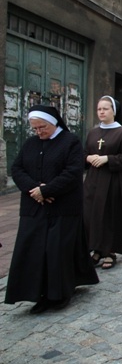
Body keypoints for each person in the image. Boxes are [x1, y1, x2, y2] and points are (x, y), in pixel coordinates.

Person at [5, 105, 99, 313]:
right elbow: (17, 168)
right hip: (34, 206)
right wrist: (34, 190)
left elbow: (73, 172)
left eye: (42, 127)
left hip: (62, 207)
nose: (38, 132)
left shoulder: (70, 141)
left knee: (57, 252)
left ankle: (59, 295)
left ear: (53, 122)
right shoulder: (30, 143)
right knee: (33, 250)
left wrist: (47, 190)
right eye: (35, 128)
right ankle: (36, 294)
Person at [84, 96, 122, 270]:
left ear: (113, 111)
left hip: (112, 181)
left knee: (108, 215)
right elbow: (84, 153)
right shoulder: (93, 133)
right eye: (99, 109)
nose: (101, 112)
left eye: (105, 109)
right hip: (93, 180)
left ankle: (110, 252)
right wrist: (88, 157)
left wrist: (106, 159)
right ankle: (96, 249)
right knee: (91, 214)